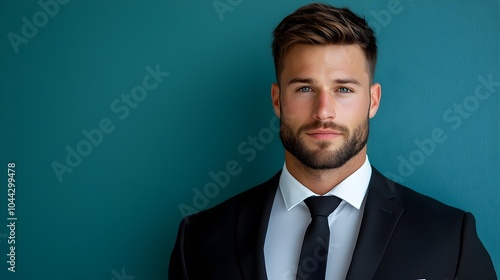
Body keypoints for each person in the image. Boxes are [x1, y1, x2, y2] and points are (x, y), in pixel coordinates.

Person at [169, 3, 497, 280]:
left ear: (372, 100)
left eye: (343, 89)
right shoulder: (198, 240)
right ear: (277, 100)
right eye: (304, 88)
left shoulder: (450, 238)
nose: (324, 112)